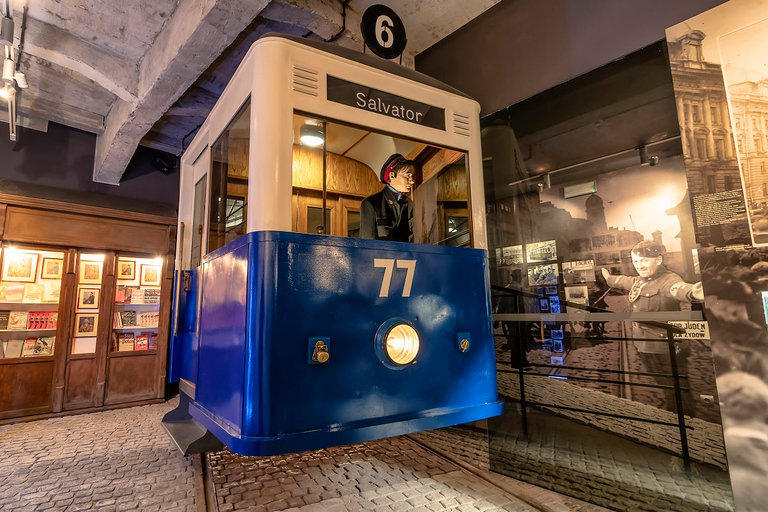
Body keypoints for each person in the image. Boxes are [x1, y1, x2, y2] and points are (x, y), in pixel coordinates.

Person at [602, 240, 704, 414]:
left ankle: (687, 422)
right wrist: (608, 278)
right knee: (666, 386)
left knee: (676, 389)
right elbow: (622, 281)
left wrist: (693, 292)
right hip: (646, 346)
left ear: (658, 260)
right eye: (636, 261)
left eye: (644, 260)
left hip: (665, 348)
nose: (639, 265)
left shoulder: (668, 279)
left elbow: (677, 289)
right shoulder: (639, 281)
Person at [360, 153, 414, 242]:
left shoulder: (411, 205)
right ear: (392, 175)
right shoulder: (371, 203)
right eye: (408, 175)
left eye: (412, 176)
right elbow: (367, 245)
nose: (412, 181)